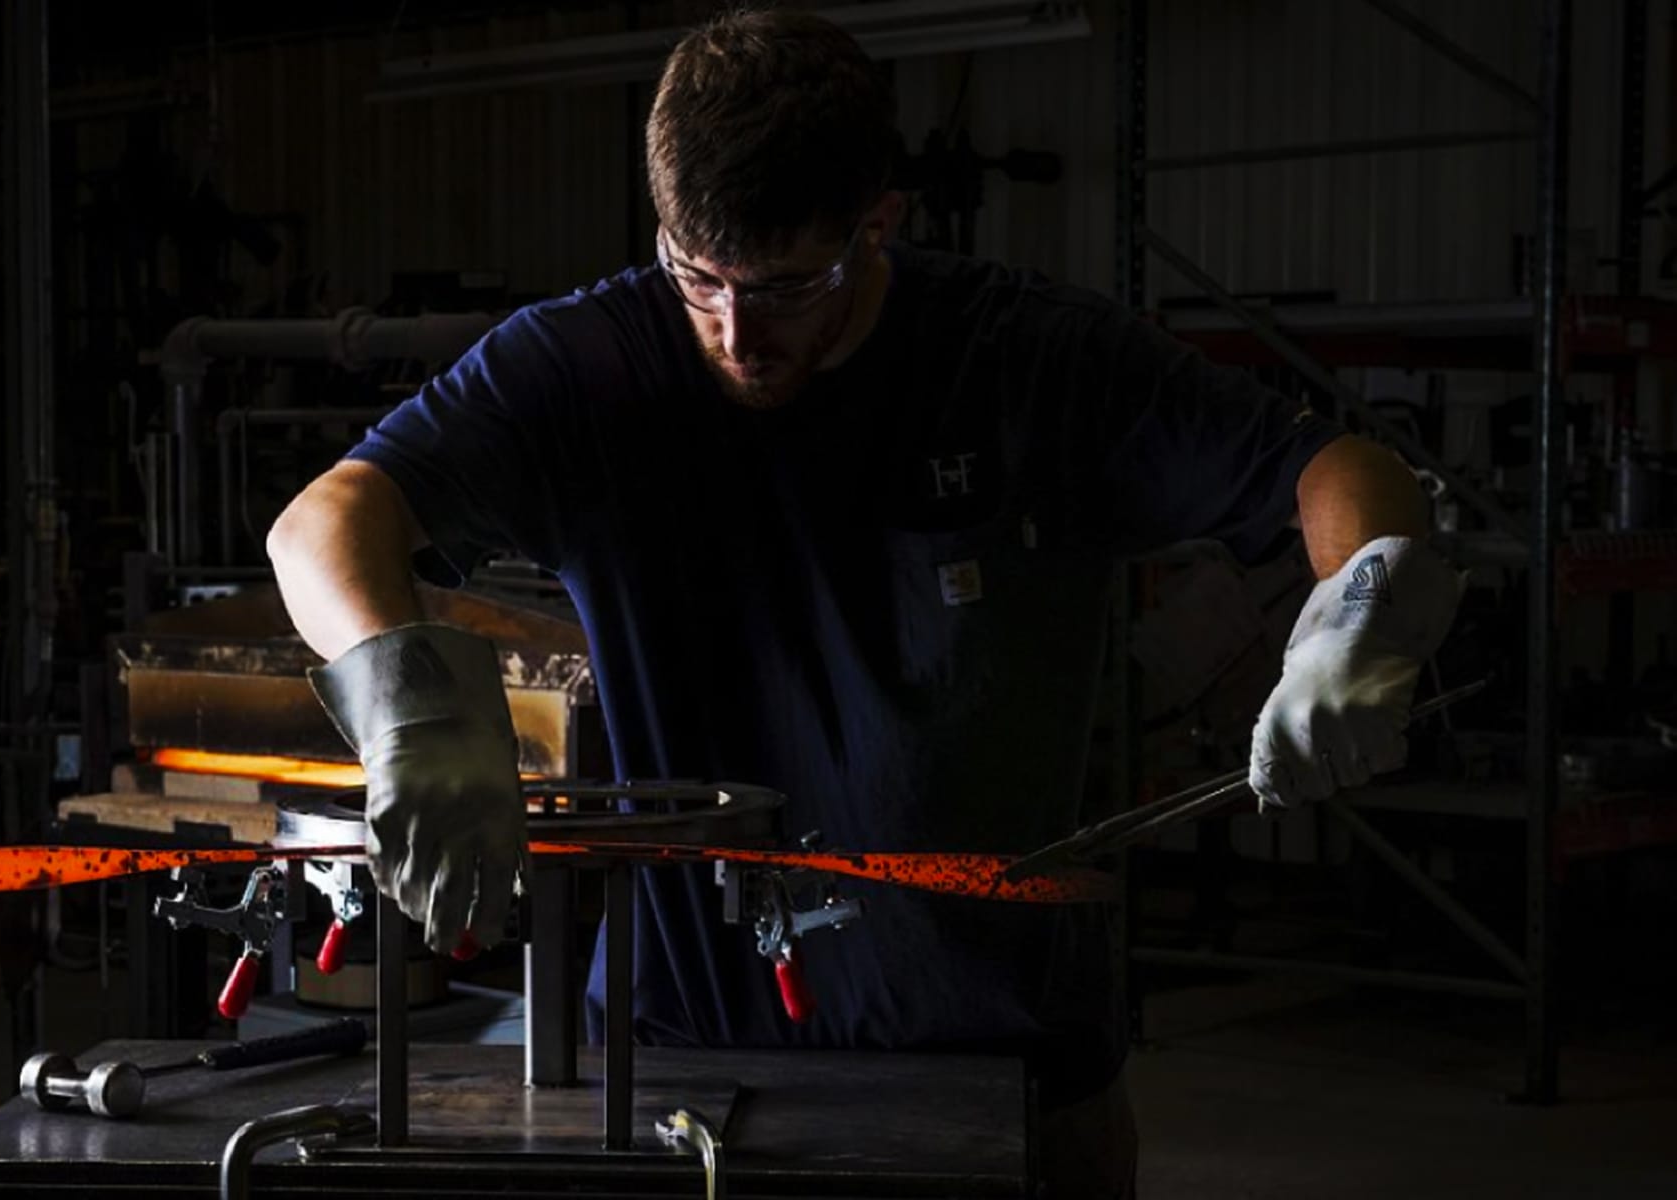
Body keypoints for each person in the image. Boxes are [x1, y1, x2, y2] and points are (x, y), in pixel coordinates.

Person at [268, 10, 1461, 1196]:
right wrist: (410, 707)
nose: (737, 332)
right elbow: (326, 520)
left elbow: (1341, 473)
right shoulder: (590, 368)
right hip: (680, 1049)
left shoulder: (1030, 362)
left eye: (789, 285)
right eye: (700, 276)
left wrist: (1355, 620)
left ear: (877, 222)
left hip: (1010, 1055)